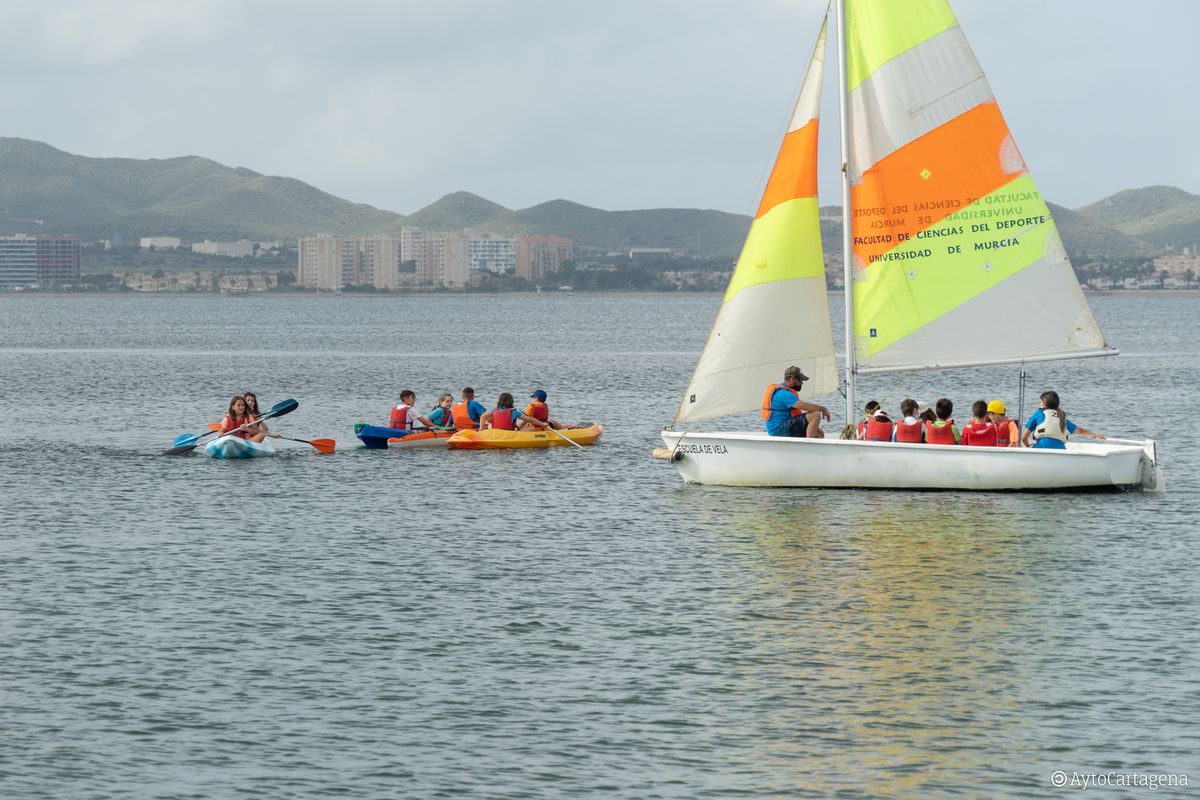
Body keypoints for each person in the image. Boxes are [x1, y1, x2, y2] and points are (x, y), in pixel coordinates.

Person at [761, 365, 831, 438]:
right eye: (800, 380)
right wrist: (823, 409)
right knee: (815, 415)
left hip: (783, 426)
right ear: (792, 379)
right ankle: (809, 444)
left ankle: (805, 446)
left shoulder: (784, 390)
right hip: (778, 430)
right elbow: (806, 406)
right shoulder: (783, 394)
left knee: (819, 434)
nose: (801, 383)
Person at [1022, 390, 1105, 449]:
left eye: (1040, 402)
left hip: (1042, 447)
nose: (1039, 404)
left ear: (1043, 404)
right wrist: (1095, 435)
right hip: (1060, 449)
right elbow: (1080, 431)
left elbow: (1024, 437)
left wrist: (1028, 446)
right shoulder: (1061, 416)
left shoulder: (1038, 414)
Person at [479, 392, 550, 431]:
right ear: (511, 401)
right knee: (532, 428)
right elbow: (530, 419)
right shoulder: (514, 411)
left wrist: (480, 431)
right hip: (510, 433)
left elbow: (483, 416)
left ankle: (481, 430)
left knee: (488, 424)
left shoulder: (495, 410)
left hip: (497, 432)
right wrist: (542, 424)